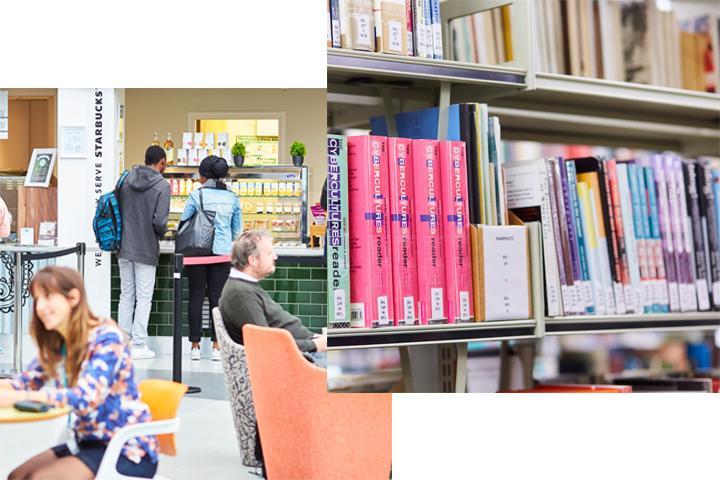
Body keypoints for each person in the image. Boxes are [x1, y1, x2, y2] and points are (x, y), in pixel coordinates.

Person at [0, 266, 159, 479]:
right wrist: (14, 392)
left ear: (73, 297)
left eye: (48, 297)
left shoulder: (106, 337)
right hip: (85, 442)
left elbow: (86, 397)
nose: (40, 307)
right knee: (17, 476)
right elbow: (23, 383)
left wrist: (22, 397)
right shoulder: (59, 342)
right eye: (37, 299)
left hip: (126, 448)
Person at [219, 229, 327, 367]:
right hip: (297, 361)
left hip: (303, 352)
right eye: (269, 253)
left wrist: (314, 341)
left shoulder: (245, 287)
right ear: (252, 260)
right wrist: (314, 345)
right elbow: (267, 343)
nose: (275, 257)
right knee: (358, 372)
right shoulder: (240, 294)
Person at [180, 155, 241, 361]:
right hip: (222, 254)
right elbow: (237, 231)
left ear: (204, 174)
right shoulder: (232, 198)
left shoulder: (196, 196)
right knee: (217, 298)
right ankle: (217, 346)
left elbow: (183, 222)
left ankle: (195, 346)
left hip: (197, 251)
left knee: (196, 296)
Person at [117, 145, 170, 360]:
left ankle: (122, 343)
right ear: (162, 162)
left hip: (123, 246)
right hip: (146, 247)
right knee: (144, 297)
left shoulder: (125, 180)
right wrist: (160, 233)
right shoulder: (162, 186)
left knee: (126, 295)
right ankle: (138, 344)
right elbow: (160, 221)